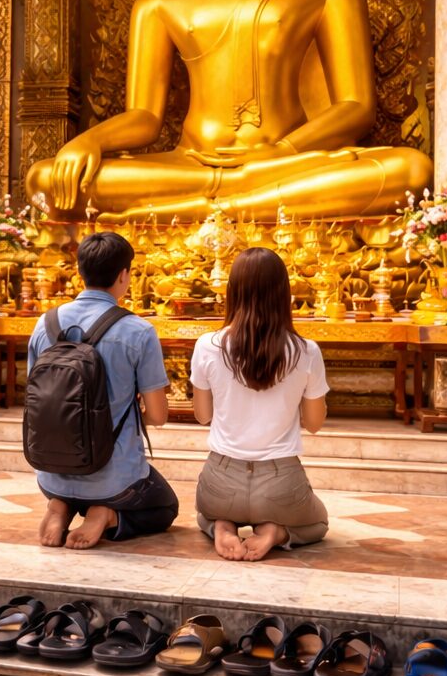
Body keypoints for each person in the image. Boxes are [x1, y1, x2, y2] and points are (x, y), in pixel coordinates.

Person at [30, 231, 176, 550]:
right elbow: (160, 416)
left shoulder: (44, 324)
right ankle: (107, 515)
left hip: (51, 473)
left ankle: (60, 504)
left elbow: (35, 401)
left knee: (72, 488)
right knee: (165, 506)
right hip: (113, 479)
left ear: (79, 271)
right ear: (124, 274)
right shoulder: (138, 330)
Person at [190, 247, 329, 561]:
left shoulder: (206, 346)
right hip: (281, 484)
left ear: (232, 292)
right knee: (318, 523)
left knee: (203, 516)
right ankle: (276, 532)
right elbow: (315, 423)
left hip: (220, 481)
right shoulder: (306, 351)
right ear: (283, 293)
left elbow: (202, 416)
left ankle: (221, 527)